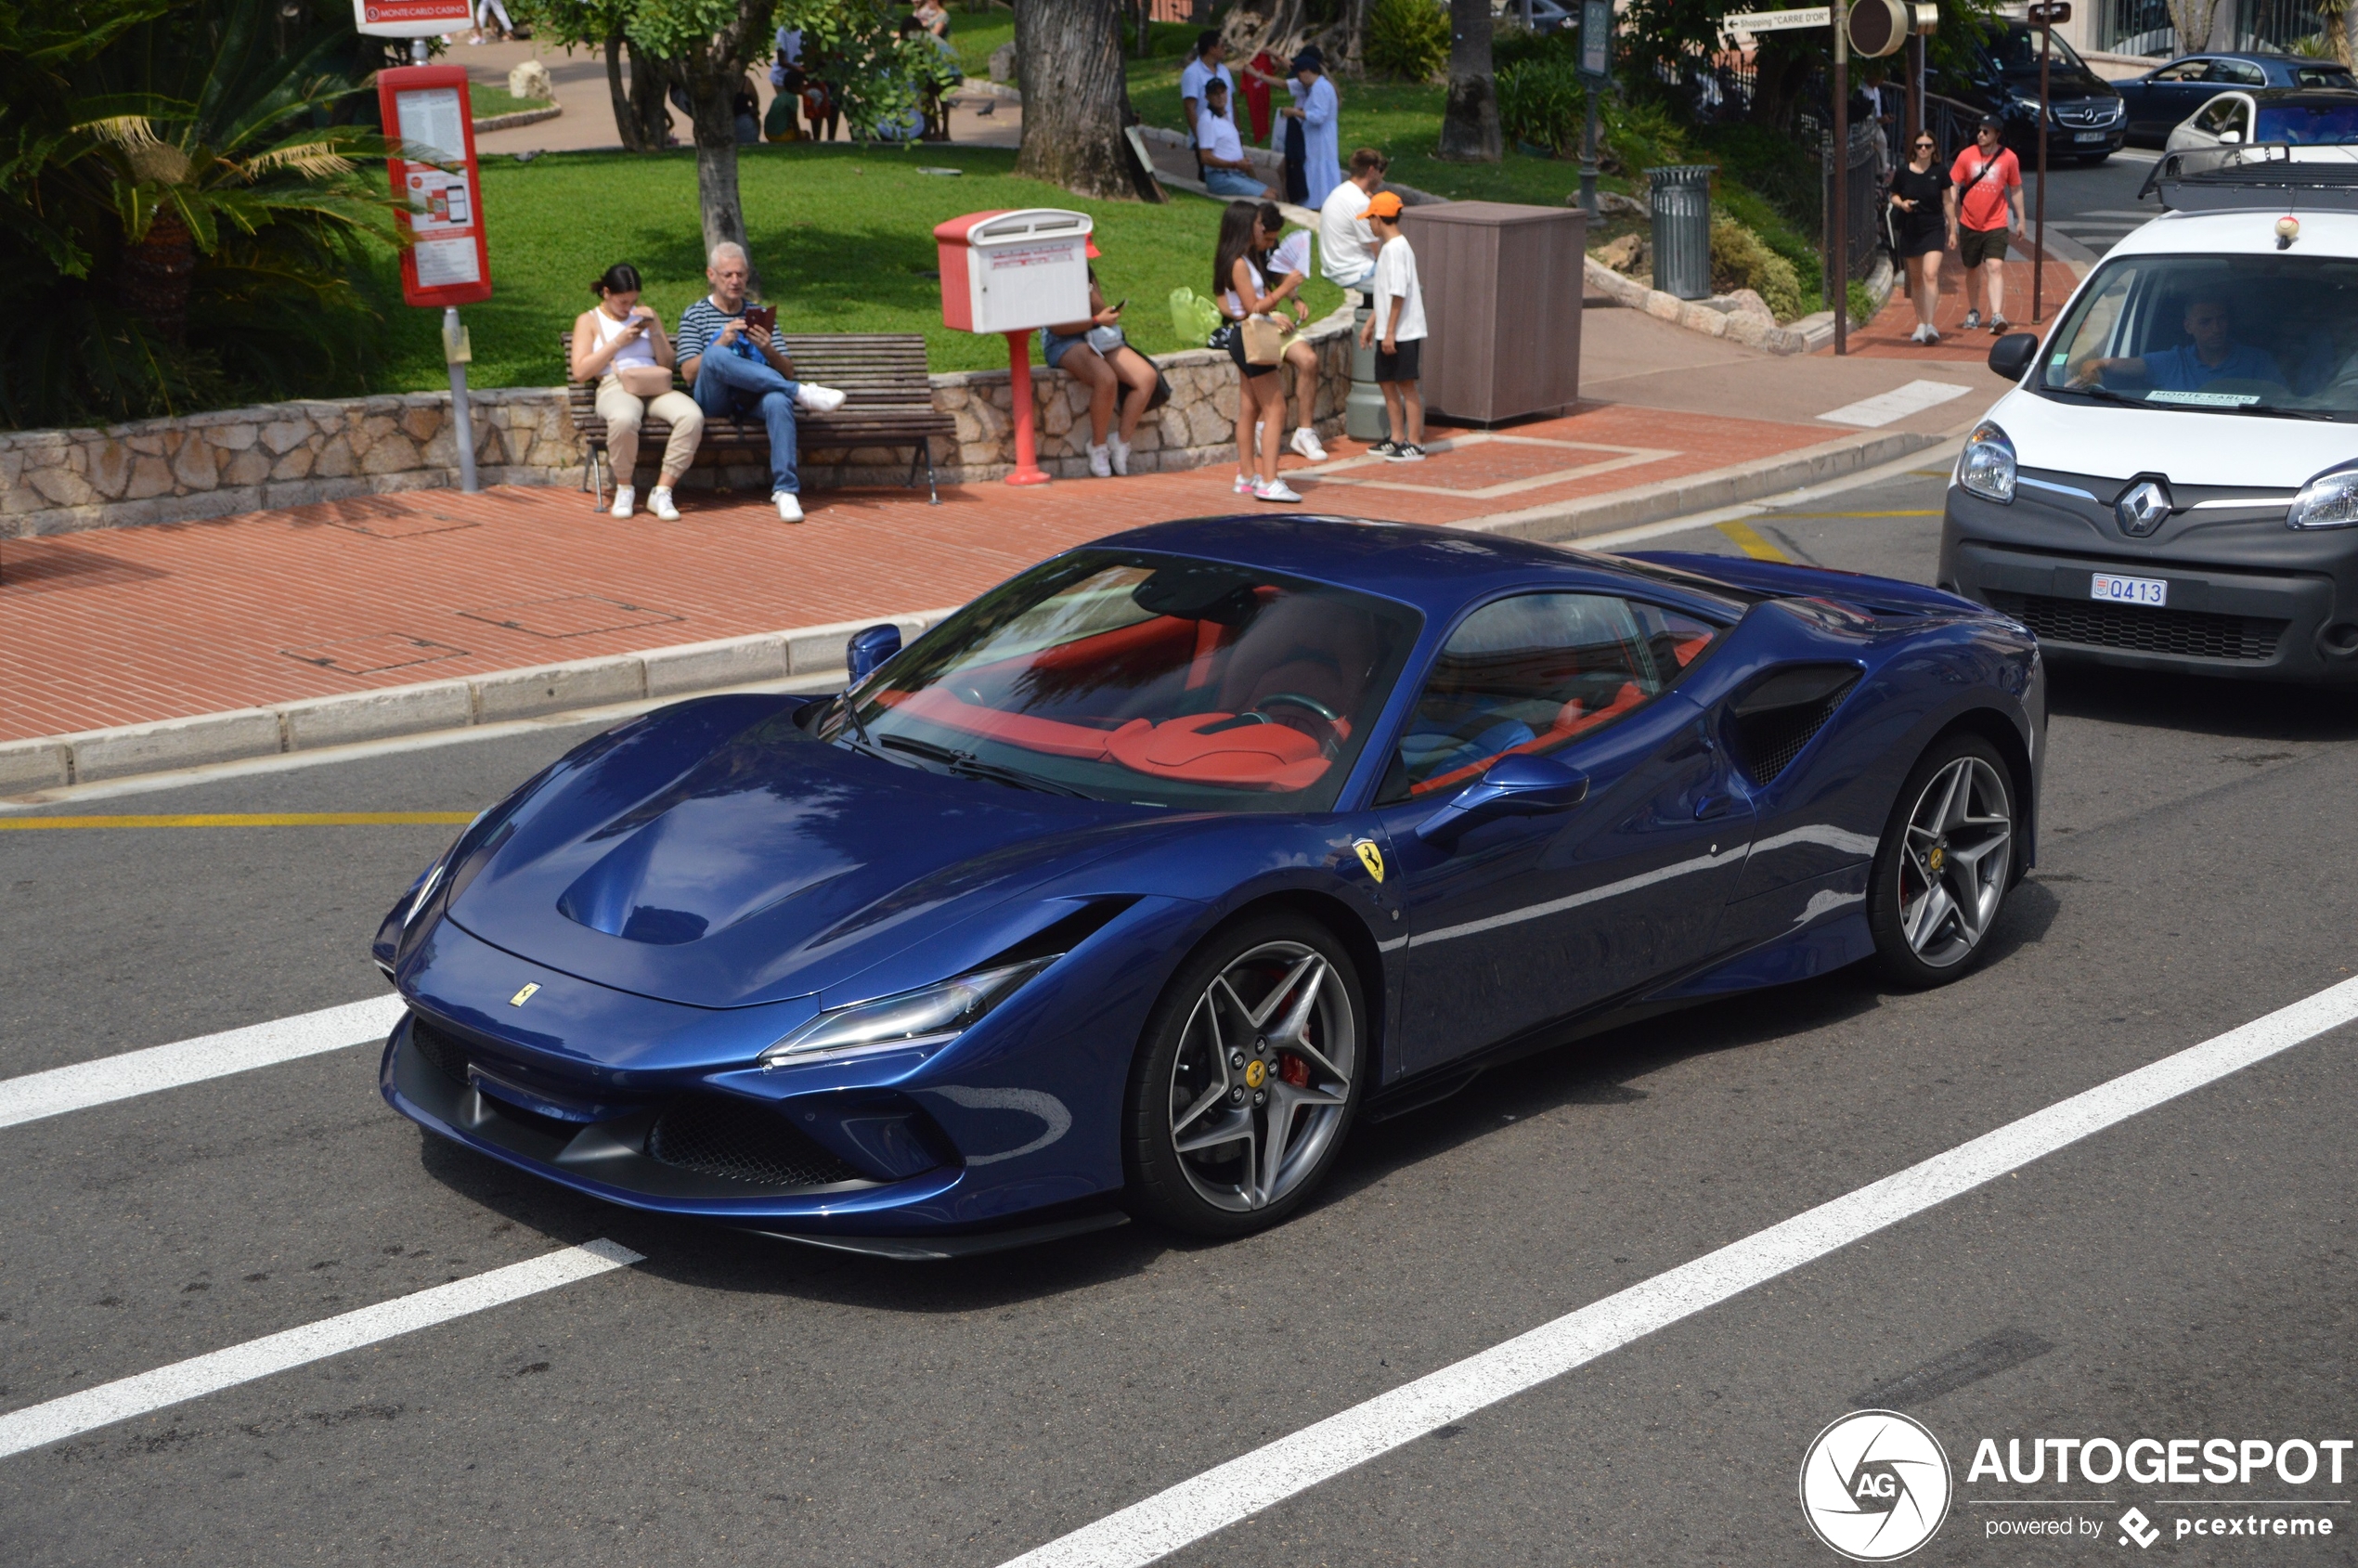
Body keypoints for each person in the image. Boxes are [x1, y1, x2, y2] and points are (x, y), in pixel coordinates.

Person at [675, 241, 848, 525]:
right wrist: (719, 341)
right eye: (728, 274)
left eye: (741, 275)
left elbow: (786, 371)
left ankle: (786, 490)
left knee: (779, 400)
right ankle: (802, 394)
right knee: (716, 355)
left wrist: (768, 349)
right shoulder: (695, 315)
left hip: (753, 397)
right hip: (713, 399)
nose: (735, 281)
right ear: (711, 275)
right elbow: (689, 374)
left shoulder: (760, 315)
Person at [573, 264, 705, 521]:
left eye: (633, 301)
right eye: (622, 301)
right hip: (616, 384)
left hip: (655, 384)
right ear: (606, 293)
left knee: (691, 416)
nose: (628, 307)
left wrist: (653, 329)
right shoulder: (589, 320)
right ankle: (624, 487)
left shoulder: (645, 314)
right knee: (623, 418)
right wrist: (618, 342)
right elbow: (580, 371)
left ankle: (663, 490)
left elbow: (666, 363)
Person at [1040, 244, 1161, 477]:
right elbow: (1058, 327)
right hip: (1063, 341)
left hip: (1095, 336)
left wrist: (1090, 289)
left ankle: (1121, 441)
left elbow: (1099, 308)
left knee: (1146, 376)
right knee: (1106, 379)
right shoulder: (1052, 278)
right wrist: (1096, 320)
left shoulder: (1084, 272)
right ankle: (1098, 446)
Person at [1211, 201, 1303, 503]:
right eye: (1257, 223)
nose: (1262, 228)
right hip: (1250, 335)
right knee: (1275, 408)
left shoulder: (1244, 259)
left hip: (1244, 336)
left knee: (1250, 407)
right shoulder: (1238, 263)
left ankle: (1248, 475)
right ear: (1244, 226)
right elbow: (1254, 307)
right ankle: (1269, 480)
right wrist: (1284, 288)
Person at [1241, 201, 1328, 463]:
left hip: (1274, 322)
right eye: (1267, 238)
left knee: (1309, 361)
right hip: (1254, 327)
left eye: (1274, 240)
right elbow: (1242, 305)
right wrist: (1270, 314)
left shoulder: (1269, 248)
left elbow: (1278, 276)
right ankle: (1260, 432)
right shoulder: (1239, 260)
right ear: (1255, 231)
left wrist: (1296, 300)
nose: (1270, 244)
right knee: (1265, 389)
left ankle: (1304, 432)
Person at [2069, 295, 2284, 392]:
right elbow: (2115, 363)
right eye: (2206, 322)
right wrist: (2094, 365)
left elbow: (2283, 403)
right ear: (2188, 326)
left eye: (2221, 319)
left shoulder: (2258, 362)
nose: (2216, 328)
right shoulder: (2173, 361)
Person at [1360, 191, 1427, 460]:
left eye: (1369, 219)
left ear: (1378, 218)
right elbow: (1386, 294)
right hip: (1389, 329)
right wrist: (1370, 325)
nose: (1368, 224)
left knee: (1406, 384)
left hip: (1402, 331)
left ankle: (1416, 442)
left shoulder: (1397, 249)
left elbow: (1399, 293)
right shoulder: (1389, 249)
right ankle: (1397, 436)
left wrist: (1389, 333)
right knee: (1387, 382)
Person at [1947, 115, 2024, 335]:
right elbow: (1953, 184)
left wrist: (2021, 220)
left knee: (1995, 266)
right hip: (1969, 221)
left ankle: (1997, 314)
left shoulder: (2009, 159)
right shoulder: (1966, 156)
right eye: (1979, 131)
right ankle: (1973, 310)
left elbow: (2016, 189)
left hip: (1996, 221)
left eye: (1986, 132)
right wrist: (1951, 215)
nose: (1980, 135)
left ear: (1997, 135)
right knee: (1972, 268)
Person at [1888, 131, 1951, 344]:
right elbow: (1894, 194)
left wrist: (1953, 229)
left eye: (1927, 145)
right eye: (1919, 146)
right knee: (1915, 278)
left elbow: (1948, 201)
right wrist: (1901, 204)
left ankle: (1931, 324)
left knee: (1930, 274)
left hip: (1934, 227)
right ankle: (1921, 323)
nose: (1923, 149)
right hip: (1911, 227)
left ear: (1934, 149)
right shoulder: (1904, 172)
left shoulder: (1940, 171)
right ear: (1913, 149)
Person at [1277, 49, 1341, 209]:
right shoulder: (1318, 87)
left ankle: (1318, 201)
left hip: (1320, 136)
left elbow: (1319, 115)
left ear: (1307, 71)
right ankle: (1317, 200)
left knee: (1320, 166)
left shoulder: (1320, 88)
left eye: (1299, 75)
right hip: (1316, 136)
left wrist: (1295, 112)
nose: (1299, 80)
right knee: (1316, 167)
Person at [1319, 147, 1387, 297]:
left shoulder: (1340, 192)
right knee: (1405, 276)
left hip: (1334, 268)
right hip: (1353, 272)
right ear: (1371, 171)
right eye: (1379, 172)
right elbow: (1378, 250)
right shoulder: (1360, 203)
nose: (1381, 179)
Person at [1198, 80, 1275, 199]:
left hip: (1236, 174)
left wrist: (1243, 164)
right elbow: (1205, 157)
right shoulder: (1207, 120)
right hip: (1220, 177)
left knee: (1273, 192)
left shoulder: (1226, 116)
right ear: (1207, 97)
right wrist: (1235, 164)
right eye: (1215, 93)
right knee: (1269, 196)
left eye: (1222, 92)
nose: (1220, 96)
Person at [1180, 30, 1234, 175]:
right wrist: (1201, 139)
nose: (1225, 49)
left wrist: (1237, 131)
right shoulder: (1192, 73)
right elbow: (1190, 108)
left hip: (1227, 134)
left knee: (1232, 172)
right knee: (1211, 175)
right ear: (1211, 49)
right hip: (1208, 136)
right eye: (1222, 46)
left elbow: (1232, 102)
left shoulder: (1224, 71)